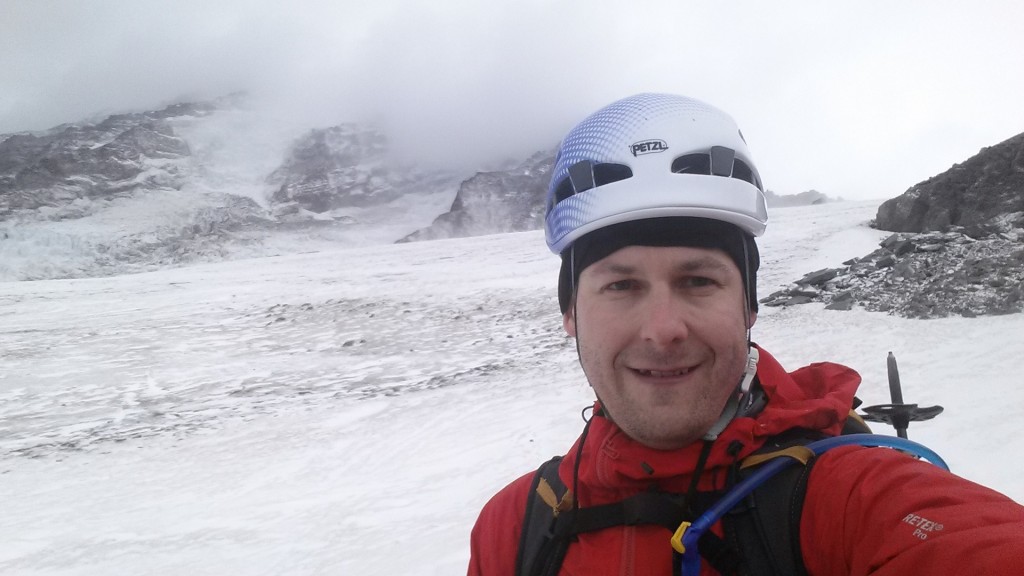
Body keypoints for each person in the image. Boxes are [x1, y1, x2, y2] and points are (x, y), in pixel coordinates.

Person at [467, 93, 1024, 575]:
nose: (663, 330)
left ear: (748, 305)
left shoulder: (845, 497)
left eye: (699, 280)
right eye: (620, 286)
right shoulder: (514, 527)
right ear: (571, 313)